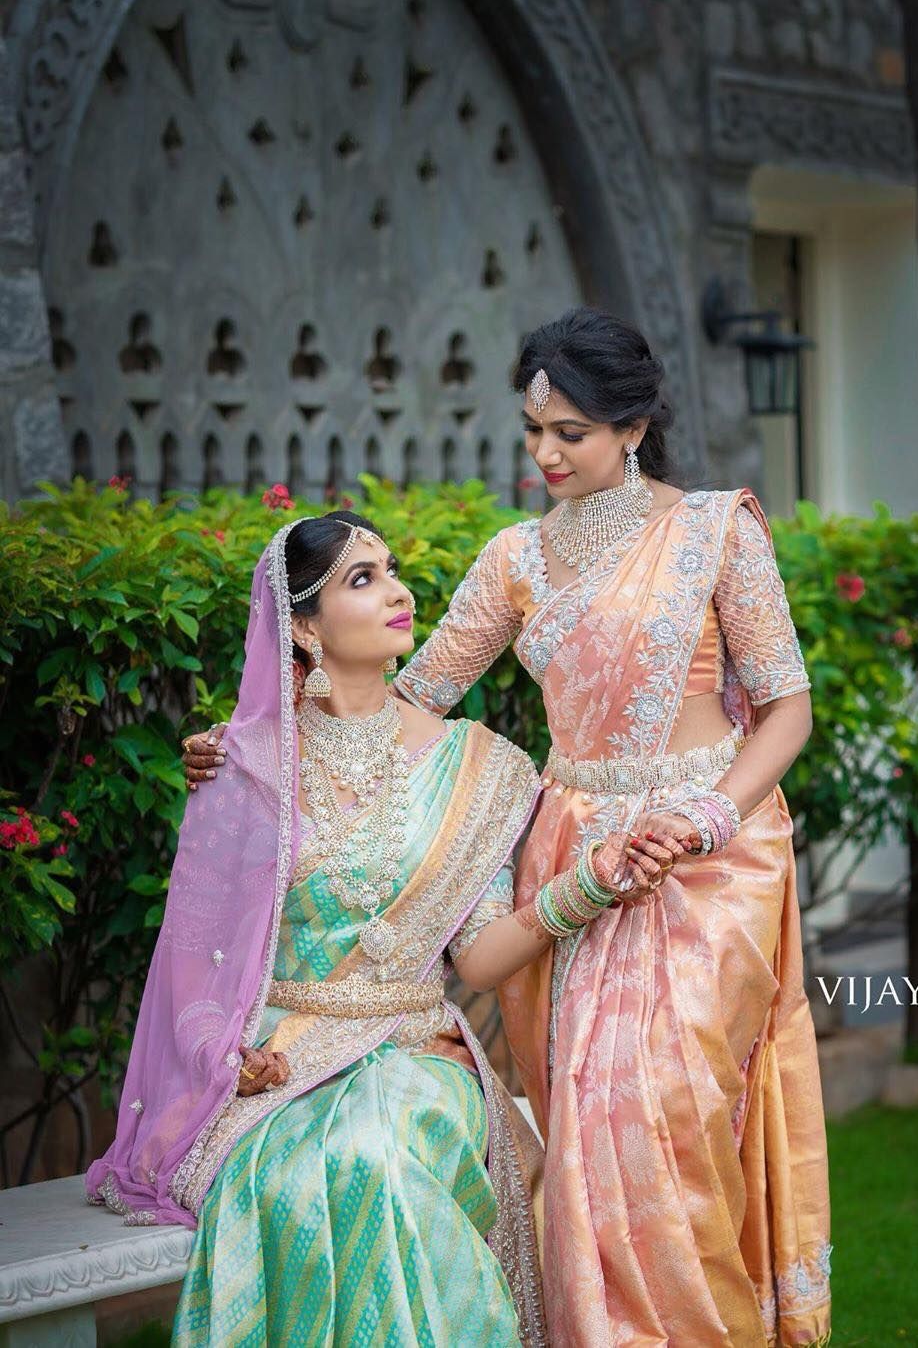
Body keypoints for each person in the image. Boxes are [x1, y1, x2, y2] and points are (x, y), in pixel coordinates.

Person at [184, 305, 833, 1347]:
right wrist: (254, 739)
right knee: (581, 1134)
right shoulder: (516, 557)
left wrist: (709, 815)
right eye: (533, 427)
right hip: (568, 858)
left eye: (569, 430)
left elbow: (787, 704)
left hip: (714, 852)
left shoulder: (720, 529)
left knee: (672, 1111)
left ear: (633, 424)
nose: (544, 452)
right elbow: (413, 693)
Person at [92, 508, 677, 1347]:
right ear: (302, 625)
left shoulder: (480, 766)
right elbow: (193, 964)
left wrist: (589, 883)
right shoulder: (243, 765)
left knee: (376, 1155)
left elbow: (477, 957)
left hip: (414, 1050)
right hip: (282, 1063)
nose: (398, 591)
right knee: (290, 1181)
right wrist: (229, 1051)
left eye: (392, 569)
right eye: (361, 580)